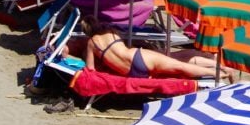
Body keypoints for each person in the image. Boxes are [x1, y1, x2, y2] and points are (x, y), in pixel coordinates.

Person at [80, 17, 233, 81]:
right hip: (137, 56)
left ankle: (217, 73)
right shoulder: (111, 32)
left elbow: (90, 69)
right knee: (178, 61)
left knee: (180, 66)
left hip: (131, 72)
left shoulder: (91, 43)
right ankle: (217, 68)